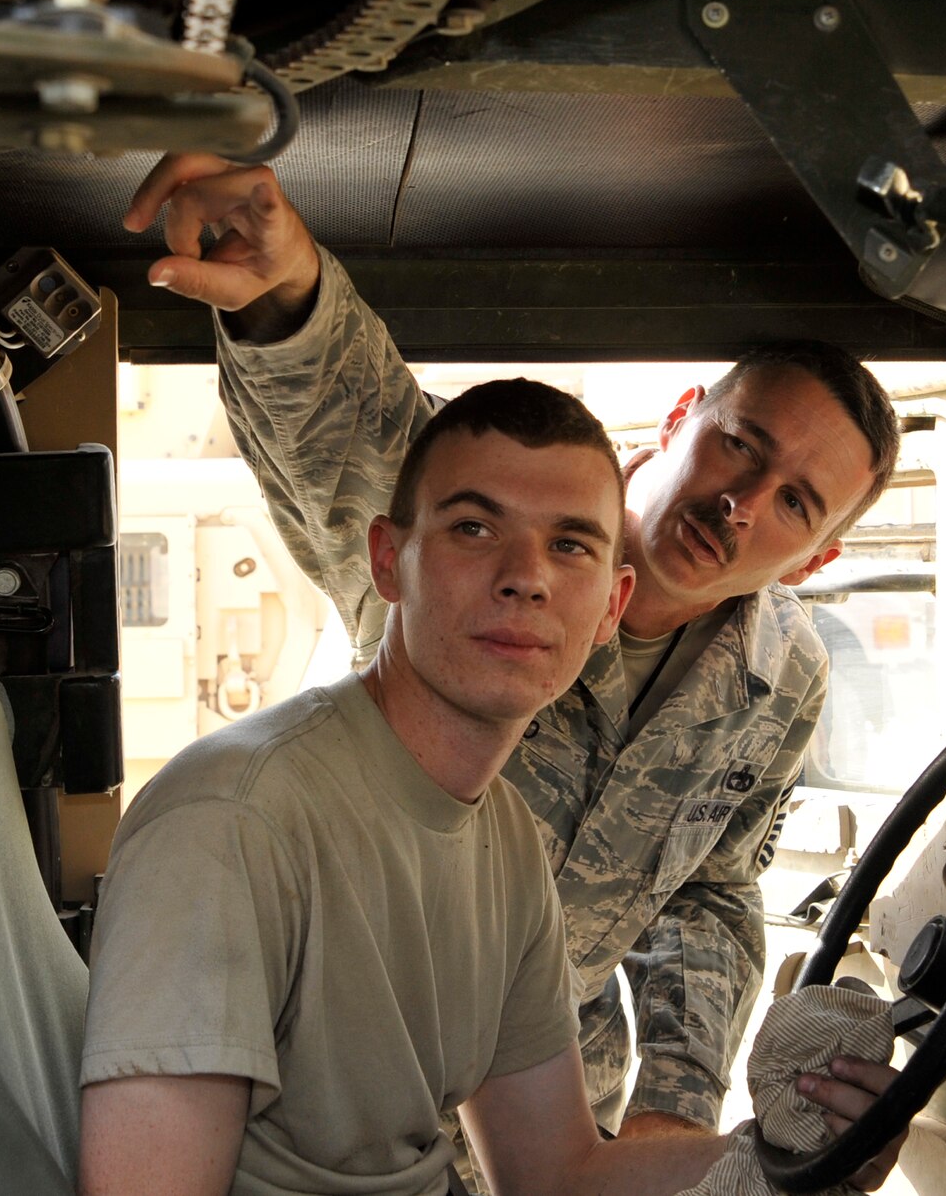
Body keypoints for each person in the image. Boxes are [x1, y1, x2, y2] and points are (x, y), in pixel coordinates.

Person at [114, 154, 901, 1142]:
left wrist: (678, 1106)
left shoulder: (781, 679)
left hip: (557, 1087)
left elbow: (709, 883)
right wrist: (285, 294)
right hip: (342, 1063)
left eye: (792, 499)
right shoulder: (497, 513)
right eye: (738, 442)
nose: (737, 503)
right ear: (679, 417)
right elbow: (361, 431)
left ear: (814, 555)